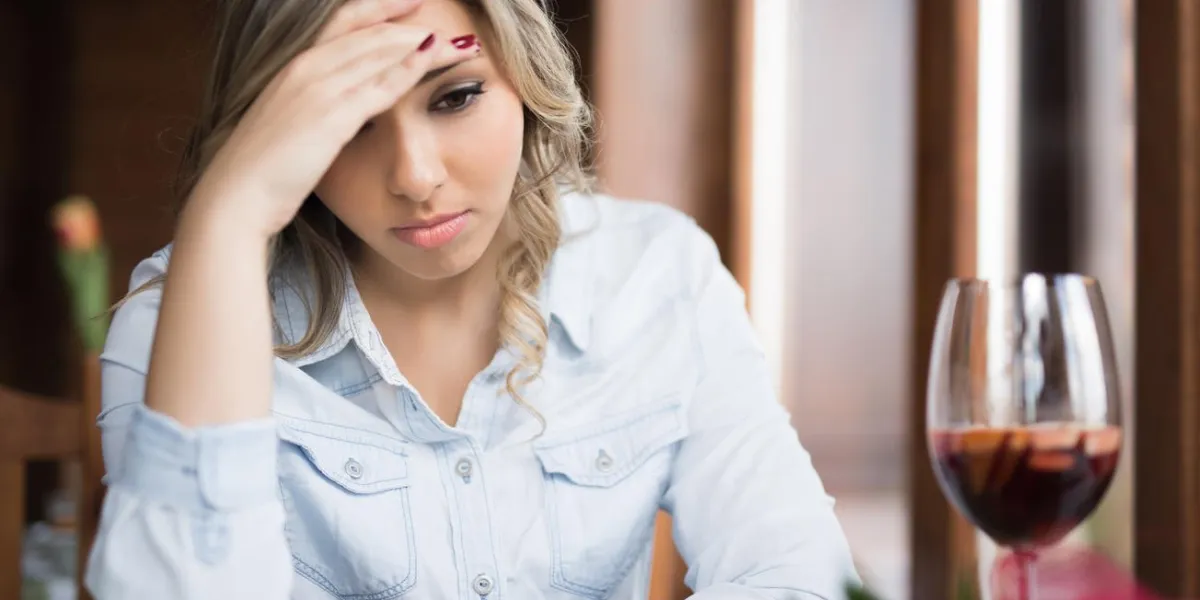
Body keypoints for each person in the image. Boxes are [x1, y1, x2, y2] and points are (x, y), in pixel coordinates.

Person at [84, 0, 859, 598]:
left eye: (454, 96)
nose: (415, 176)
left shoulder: (658, 276)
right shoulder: (177, 320)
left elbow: (797, 572)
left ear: (522, 74)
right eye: (347, 123)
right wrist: (229, 212)